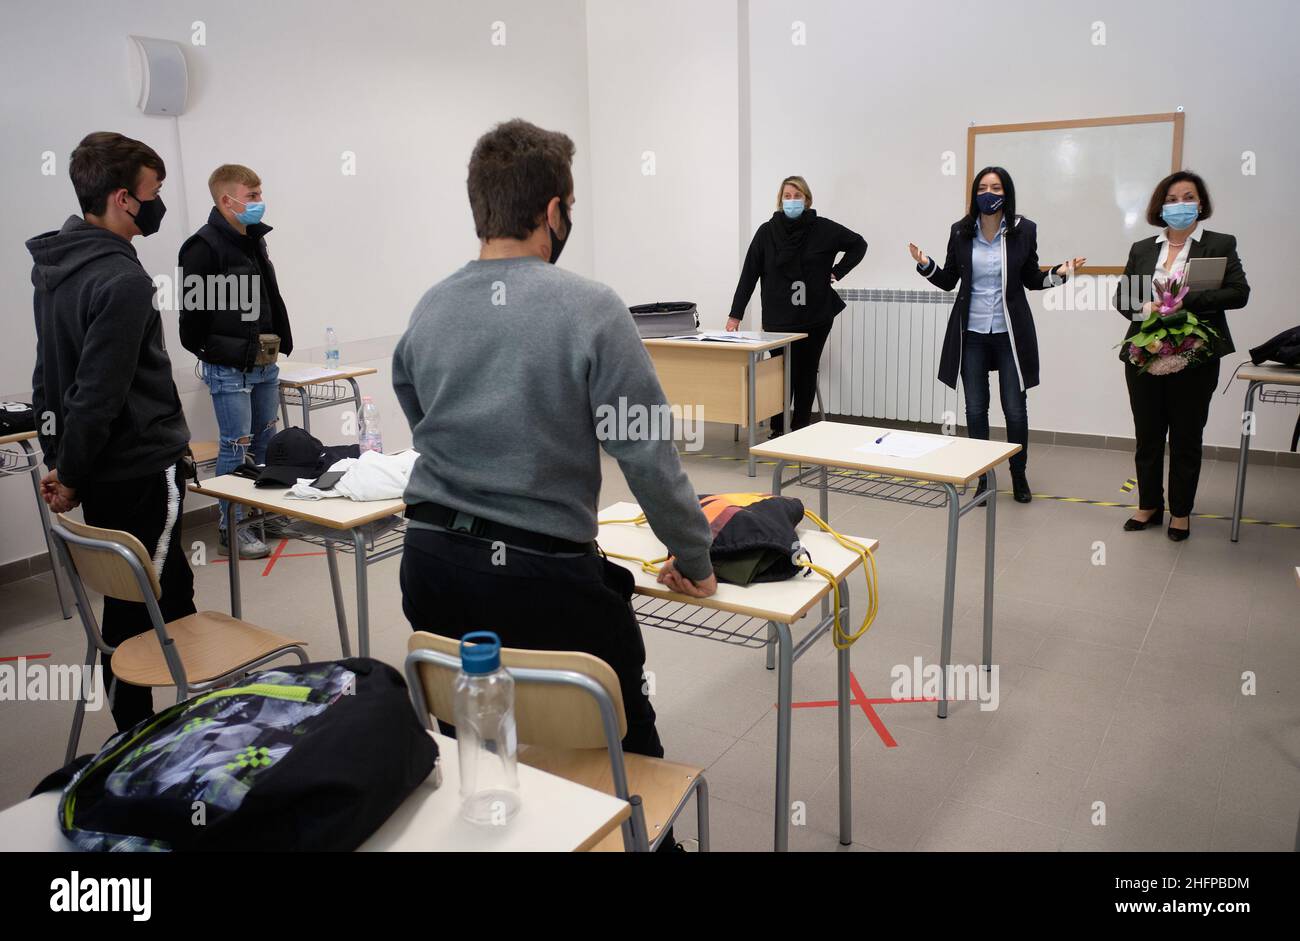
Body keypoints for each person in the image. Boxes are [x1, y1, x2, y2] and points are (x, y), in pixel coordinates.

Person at [393, 120, 716, 823]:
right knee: (626, 731)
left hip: (429, 562)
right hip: (545, 583)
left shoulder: (429, 306)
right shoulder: (591, 307)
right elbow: (648, 452)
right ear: (551, 212)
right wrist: (694, 554)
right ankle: (644, 835)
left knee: (462, 726)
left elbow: (416, 407)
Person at [28, 131, 195, 731]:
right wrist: (69, 471)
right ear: (125, 198)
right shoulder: (122, 281)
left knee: (138, 600)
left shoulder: (56, 268)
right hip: (142, 471)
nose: (159, 203)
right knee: (157, 609)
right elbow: (96, 394)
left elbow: (48, 380)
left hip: (102, 472)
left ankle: (154, 735)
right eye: (155, 191)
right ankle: (154, 739)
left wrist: (61, 465)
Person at [909, 167, 1084, 502]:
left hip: (1009, 335)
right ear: (975, 194)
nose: (989, 193)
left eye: (997, 187)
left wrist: (1061, 274)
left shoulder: (1023, 230)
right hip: (971, 333)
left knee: (1015, 409)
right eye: (983, 188)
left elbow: (1032, 278)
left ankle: (1018, 475)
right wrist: (925, 264)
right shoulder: (960, 231)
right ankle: (984, 478)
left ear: (1007, 193)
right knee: (975, 408)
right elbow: (949, 280)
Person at [1112, 170, 1249, 540]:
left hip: (1197, 355)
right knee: (1148, 436)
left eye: (1187, 197)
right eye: (1171, 200)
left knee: (1187, 436)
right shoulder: (1143, 248)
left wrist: (1186, 301)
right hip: (1146, 353)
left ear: (1200, 203)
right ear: (1161, 207)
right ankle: (1148, 505)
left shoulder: (1219, 244)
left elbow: (1239, 293)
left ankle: (1181, 512)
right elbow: (1122, 300)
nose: (1180, 205)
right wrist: (1150, 308)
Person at [179, 164, 294, 560]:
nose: (260, 202)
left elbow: (267, 299)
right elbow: (192, 316)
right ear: (227, 200)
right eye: (253, 195)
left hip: (264, 359)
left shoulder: (254, 240)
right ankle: (234, 527)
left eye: (260, 193)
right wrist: (213, 354)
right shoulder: (204, 246)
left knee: (265, 441)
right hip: (229, 366)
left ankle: (262, 515)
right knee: (236, 445)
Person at [727, 175, 867, 435]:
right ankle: (778, 430)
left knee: (805, 373)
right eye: (787, 196)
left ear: (807, 199)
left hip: (815, 316)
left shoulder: (823, 229)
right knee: (779, 375)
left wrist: (837, 272)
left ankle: (801, 430)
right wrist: (735, 315)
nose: (792, 201)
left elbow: (859, 244)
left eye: (797, 196)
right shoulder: (767, 232)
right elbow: (749, 274)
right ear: (780, 200)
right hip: (778, 319)